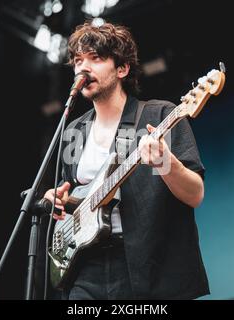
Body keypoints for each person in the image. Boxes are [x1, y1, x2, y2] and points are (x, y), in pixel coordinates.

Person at [42, 21, 209, 300]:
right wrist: (56, 199)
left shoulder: (158, 116)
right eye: (79, 60)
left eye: (96, 58)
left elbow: (195, 194)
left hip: (144, 265)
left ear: (122, 69)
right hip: (85, 268)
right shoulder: (74, 131)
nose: (84, 68)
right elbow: (71, 195)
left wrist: (164, 163)